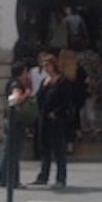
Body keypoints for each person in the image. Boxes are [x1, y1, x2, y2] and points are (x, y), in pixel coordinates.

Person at [31, 53, 69, 189]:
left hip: (56, 120)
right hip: (44, 119)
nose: (46, 68)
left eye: (48, 65)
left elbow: (66, 102)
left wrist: (57, 113)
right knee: (44, 149)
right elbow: (40, 98)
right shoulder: (45, 81)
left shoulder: (62, 82)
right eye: (44, 66)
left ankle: (61, 178)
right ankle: (43, 176)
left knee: (59, 150)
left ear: (54, 65)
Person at [0, 61, 32, 189]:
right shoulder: (17, 84)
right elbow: (16, 99)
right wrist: (26, 95)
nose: (27, 74)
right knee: (13, 152)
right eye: (26, 71)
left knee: (6, 150)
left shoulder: (9, 83)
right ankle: (12, 181)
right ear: (22, 72)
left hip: (8, 119)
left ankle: (4, 179)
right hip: (15, 122)